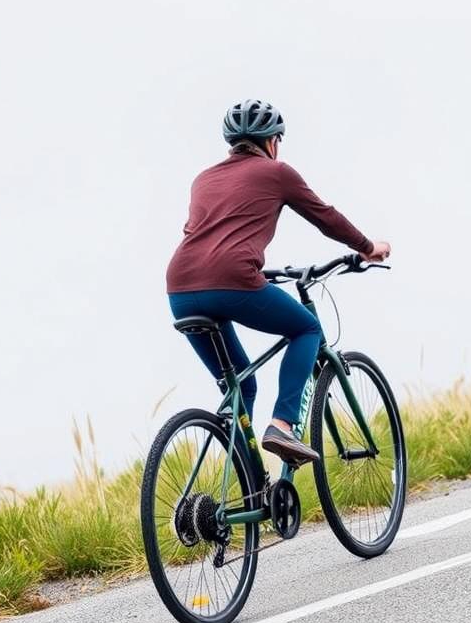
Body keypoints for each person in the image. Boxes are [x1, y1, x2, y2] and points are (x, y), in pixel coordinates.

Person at [166, 99, 391, 466]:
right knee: (307, 329)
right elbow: (326, 217)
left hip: (180, 289)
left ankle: (247, 490)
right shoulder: (277, 172)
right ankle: (282, 425)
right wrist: (367, 248)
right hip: (233, 279)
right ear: (272, 142)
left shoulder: (203, 180)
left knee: (240, 385)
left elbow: (205, 236)